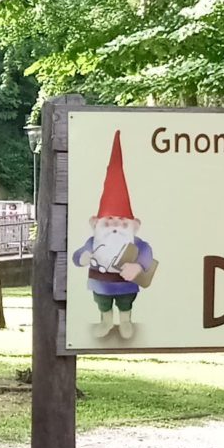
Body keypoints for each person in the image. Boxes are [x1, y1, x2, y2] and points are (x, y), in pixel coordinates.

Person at [71, 132, 157, 339]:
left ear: (134, 225)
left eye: (121, 221)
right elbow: (79, 255)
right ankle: (106, 322)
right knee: (102, 303)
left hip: (127, 284)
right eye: (108, 221)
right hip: (101, 283)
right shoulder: (94, 241)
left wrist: (137, 266)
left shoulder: (136, 243)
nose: (115, 226)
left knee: (126, 303)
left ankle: (125, 321)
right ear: (95, 223)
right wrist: (83, 258)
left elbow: (146, 254)